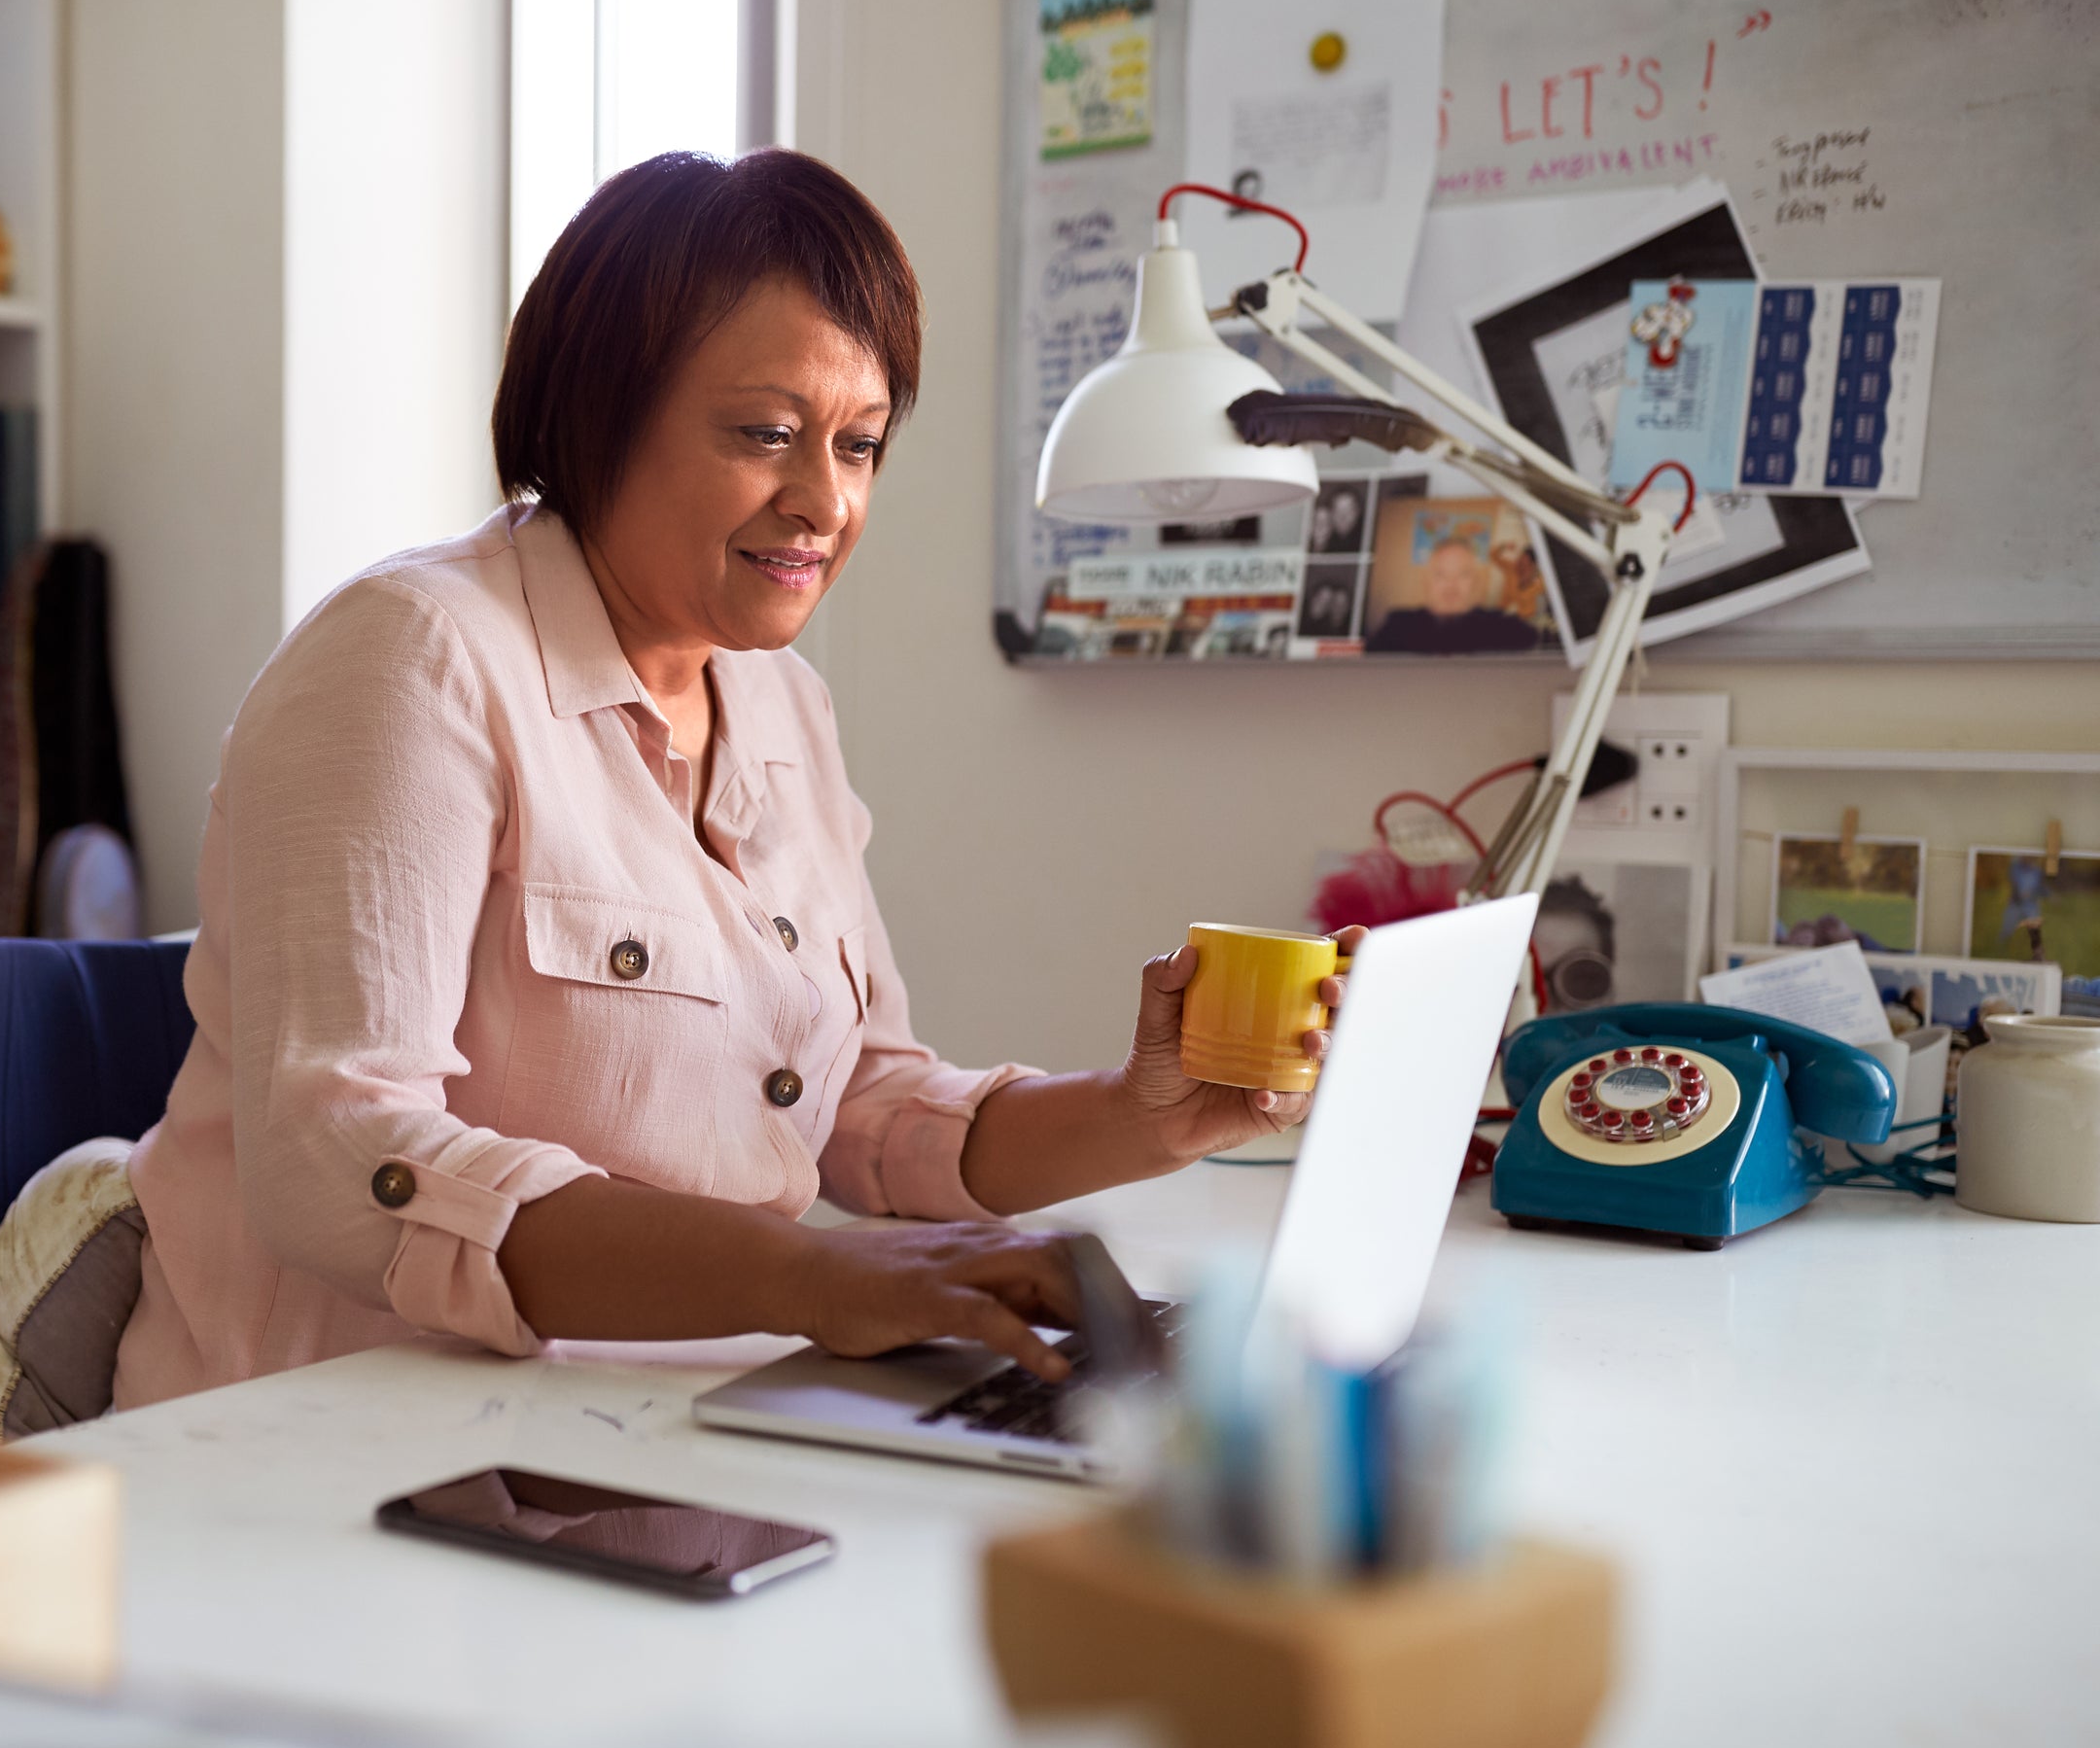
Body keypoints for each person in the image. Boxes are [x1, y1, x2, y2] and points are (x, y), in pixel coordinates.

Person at [109, 151, 1354, 1412]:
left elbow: (861, 1107)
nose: (824, 500)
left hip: (670, 1419)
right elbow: (341, 1159)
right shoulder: (412, 660)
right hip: (334, 1441)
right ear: (600, 413)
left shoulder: (777, 703)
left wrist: (1143, 1116)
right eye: (768, 434)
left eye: (860, 445)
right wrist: (805, 1276)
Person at [1365, 536, 1540, 654]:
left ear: (1477, 583)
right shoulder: (1398, 625)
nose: (1451, 585)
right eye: (1441, 575)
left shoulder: (1505, 628)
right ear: (1426, 582)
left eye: (1463, 574)